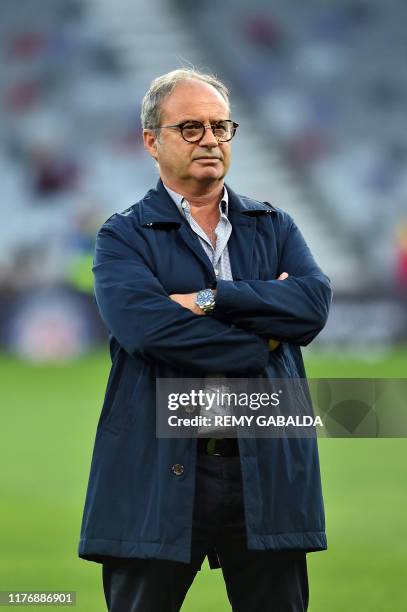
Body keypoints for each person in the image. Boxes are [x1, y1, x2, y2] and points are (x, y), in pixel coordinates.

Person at [78, 68, 332, 611]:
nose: (211, 140)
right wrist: (261, 341)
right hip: (159, 467)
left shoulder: (275, 225)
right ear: (152, 141)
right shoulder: (123, 235)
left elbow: (312, 306)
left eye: (221, 126)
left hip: (264, 463)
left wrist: (214, 300)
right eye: (191, 128)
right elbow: (147, 329)